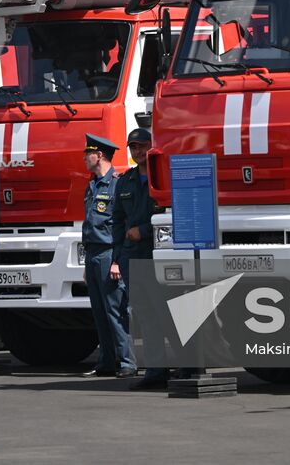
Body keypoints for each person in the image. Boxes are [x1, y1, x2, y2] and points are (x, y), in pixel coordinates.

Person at [110, 127, 171, 388]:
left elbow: (173, 214)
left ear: (152, 146)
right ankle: (156, 371)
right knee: (146, 316)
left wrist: (144, 231)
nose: (138, 151)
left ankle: (190, 367)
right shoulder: (125, 181)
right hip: (134, 258)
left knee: (171, 312)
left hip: (161, 254)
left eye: (142, 146)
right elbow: (118, 221)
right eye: (133, 147)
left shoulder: (163, 176)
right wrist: (118, 257)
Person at [81, 133, 137, 378]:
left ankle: (127, 362)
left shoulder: (117, 183)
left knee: (116, 310)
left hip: (107, 254)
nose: (84, 158)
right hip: (93, 253)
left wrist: (116, 260)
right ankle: (106, 362)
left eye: (87, 153)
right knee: (99, 311)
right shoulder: (92, 184)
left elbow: (121, 226)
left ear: (99, 155)